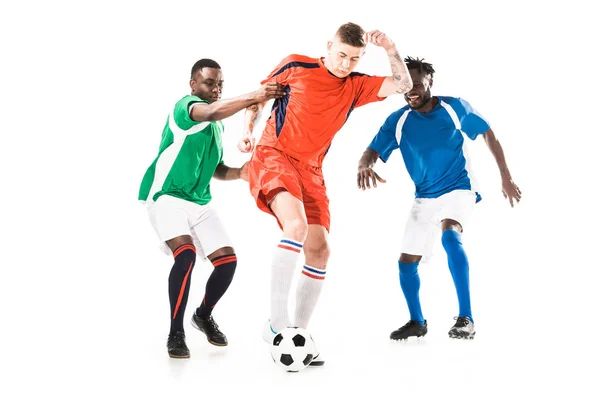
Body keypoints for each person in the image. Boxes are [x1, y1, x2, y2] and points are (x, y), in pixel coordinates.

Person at [237, 23, 413, 362]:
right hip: (275, 154)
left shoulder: (356, 86)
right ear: (329, 46)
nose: (346, 64)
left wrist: (390, 48)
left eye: (355, 59)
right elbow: (259, 98)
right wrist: (248, 130)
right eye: (342, 55)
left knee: (319, 251)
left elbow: (404, 85)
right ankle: (277, 328)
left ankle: (297, 334)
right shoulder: (296, 65)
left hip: (312, 170)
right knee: (296, 228)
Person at [357, 56, 521, 340]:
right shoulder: (399, 120)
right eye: (405, 86)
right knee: (406, 262)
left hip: (459, 187)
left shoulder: (453, 107)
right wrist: (364, 165)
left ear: (430, 81)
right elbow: (372, 150)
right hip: (424, 198)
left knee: (449, 236)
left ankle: (466, 318)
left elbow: (488, 134)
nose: (411, 91)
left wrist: (505, 176)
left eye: (417, 84)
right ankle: (417, 322)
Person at [138, 58, 284, 358]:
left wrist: (240, 173)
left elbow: (216, 168)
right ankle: (175, 333)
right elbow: (213, 110)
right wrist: (256, 96)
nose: (216, 89)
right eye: (209, 83)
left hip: (199, 202)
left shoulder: (216, 128)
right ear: (193, 84)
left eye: (220, 84)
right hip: (166, 197)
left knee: (228, 261)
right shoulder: (186, 108)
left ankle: (202, 315)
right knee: (186, 255)